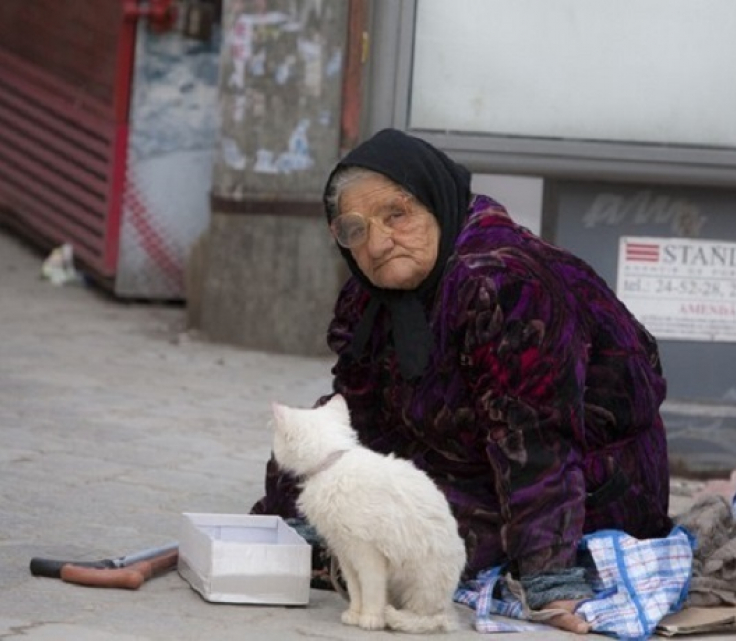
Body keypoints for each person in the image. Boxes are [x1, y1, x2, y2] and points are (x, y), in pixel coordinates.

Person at [251, 128, 672, 633]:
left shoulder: (504, 285)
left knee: (426, 532)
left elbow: (535, 441)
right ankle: (324, 550)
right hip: (460, 452)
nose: (380, 242)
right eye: (355, 230)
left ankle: (343, 556)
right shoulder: (370, 297)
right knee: (304, 463)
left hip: (588, 475)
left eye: (397, 214)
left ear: (434, 201)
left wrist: (549, 583)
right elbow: (361, 414)